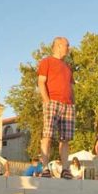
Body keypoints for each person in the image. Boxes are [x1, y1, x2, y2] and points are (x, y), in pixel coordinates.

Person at [38, 37, 74, 169]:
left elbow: (71, 87)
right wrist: (46, 101)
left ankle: (65, 169)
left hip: (68, 105)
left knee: (65, 139)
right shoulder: (46, 61)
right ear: (58, 45)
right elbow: (41, 81)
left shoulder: (68, 67)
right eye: (67, 45)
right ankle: (45, 167)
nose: (68, 48)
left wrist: (73, 104)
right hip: (52, 101)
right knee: (47, 135)